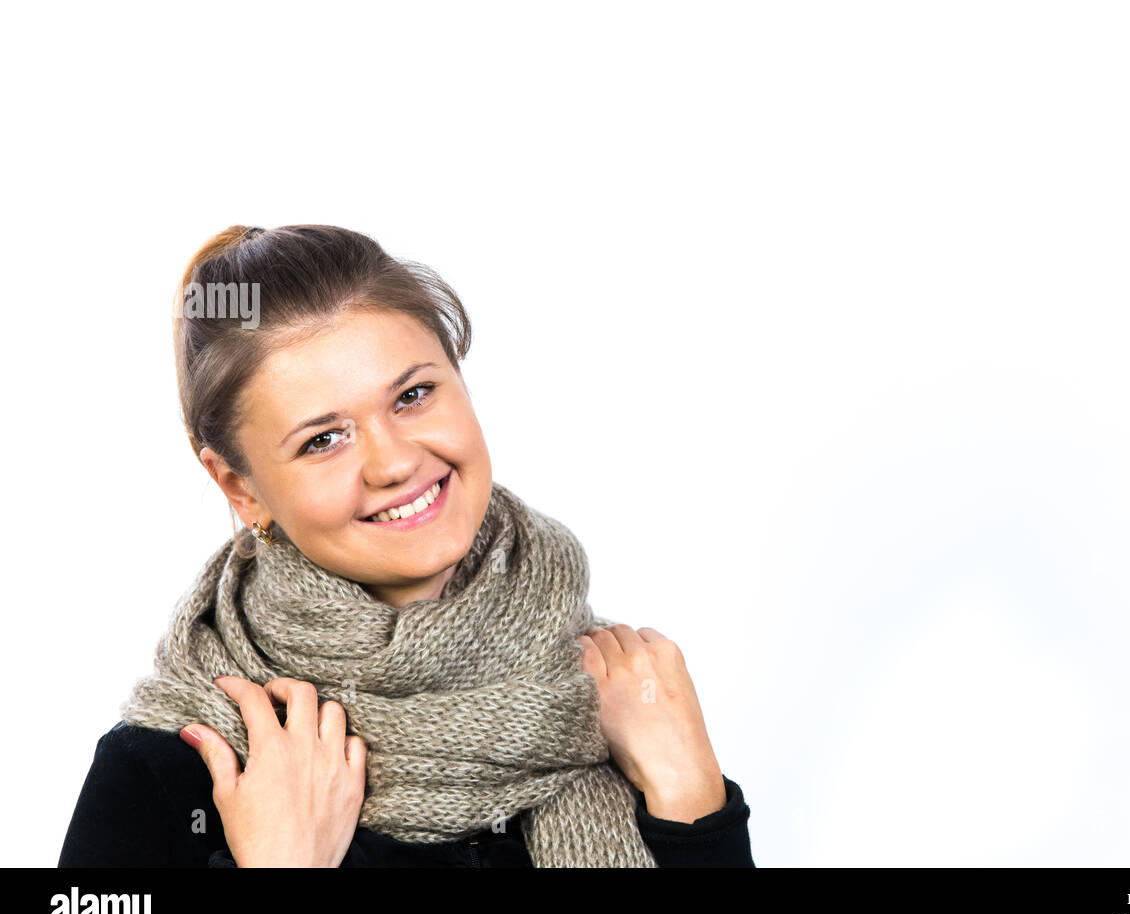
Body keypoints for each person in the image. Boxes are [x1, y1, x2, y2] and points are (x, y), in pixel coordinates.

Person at [58, 225, 754, 868]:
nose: (392, 462)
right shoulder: (169, 766)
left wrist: (693, 803)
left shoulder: (621, 697)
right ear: (241, 489)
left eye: (413, 394)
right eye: (323, 439)